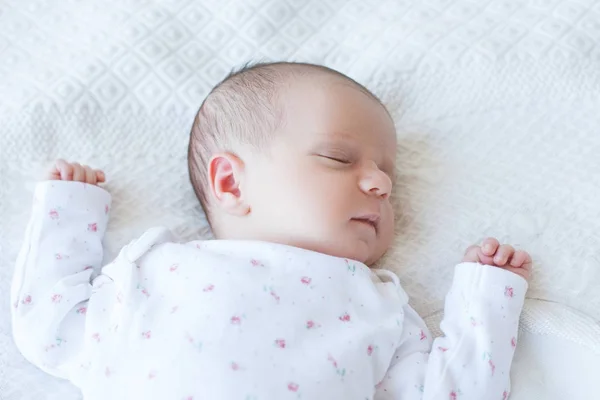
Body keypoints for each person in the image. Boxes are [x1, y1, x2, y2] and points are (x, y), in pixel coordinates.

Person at [11, 62, 531, 400]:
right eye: (337, 158)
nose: (378, 183)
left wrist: (485, 300)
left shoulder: (377, 305)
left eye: (388, 179)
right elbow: (50, 326)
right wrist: (69, 212)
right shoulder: (159, 269)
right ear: (231, 182)